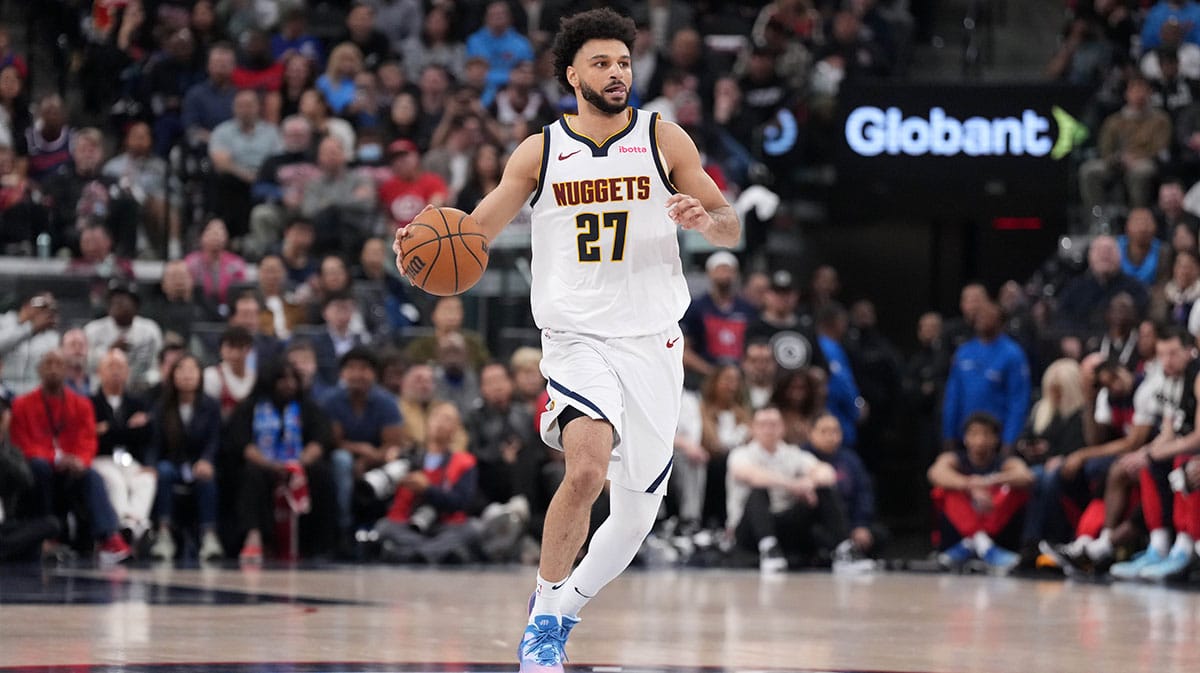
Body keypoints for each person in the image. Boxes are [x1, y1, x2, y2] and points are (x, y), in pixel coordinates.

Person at [393, 9, 739, 671]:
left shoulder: (664, 139)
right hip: (577, 337)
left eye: (623, 62)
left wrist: (707, 218)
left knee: (635, 517)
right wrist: (416, 249)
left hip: (653, 341)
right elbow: (473, 232)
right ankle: (544, 627)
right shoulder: (540, 151)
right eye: (602, 63)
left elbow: (729, 223)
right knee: (585, 468)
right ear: (572, 74)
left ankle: (559, 607)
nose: (616, 73)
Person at [9, 350, 131, 563]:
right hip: (38, 474)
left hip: (69, 472)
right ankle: (46, 535)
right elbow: (21, 445)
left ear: (66, 370)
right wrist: (55, 458)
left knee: (91, 475)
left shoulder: (82, 404)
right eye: (48, 364)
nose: (53, 369)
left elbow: (88, 440)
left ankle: (109, 538)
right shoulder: (21, 404)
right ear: (39, 370)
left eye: (58, 364)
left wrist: (79, 461)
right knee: (39, 466)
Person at [726, 406, 848, 573]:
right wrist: (793, 485)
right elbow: (751, 475)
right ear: (753, 428)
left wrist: (809, 483)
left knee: (824, 490)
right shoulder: (740, 454)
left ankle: (845, 549)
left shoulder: (792, 453)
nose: (768, 430)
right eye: (763, 424)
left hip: (784, 524)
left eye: (773, 424)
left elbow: (828, 473)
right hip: (748, 529)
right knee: (758, 491)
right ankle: (768, 548)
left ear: (782, 428)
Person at [928, 412, 1034, 574]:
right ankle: (978, 540)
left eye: (986, 434)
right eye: (974, 434)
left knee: (1013, 491)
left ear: (996, 439)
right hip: (961, 526)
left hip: (995, 522)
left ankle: (978, 542)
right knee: (944, 491)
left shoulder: (1005, 461)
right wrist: (970, 486)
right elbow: (935, 473)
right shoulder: (955, 458)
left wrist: (988, 481)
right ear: (965, 438)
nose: (980, 440)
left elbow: (1026, 476)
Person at [942, 301, 1031, 456]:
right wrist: (948, 434)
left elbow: (1018, 400)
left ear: (1000, 321)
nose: (982, 319)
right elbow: (953, 396)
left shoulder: (1012, 354)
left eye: (988, 316)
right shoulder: (964, 352)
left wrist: (1010, 440)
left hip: (997, 437)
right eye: (980, 316)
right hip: (965, 436)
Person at [89, 349, 155, 546]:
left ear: (127, 372)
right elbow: (95, 437)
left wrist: (110, 429)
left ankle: (131, 525)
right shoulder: (91, 403)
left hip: (129, 459)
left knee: (146, 479)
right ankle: (129, 526)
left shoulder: (138, 402)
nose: (116, 371)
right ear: (100, 372)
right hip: (101, 459)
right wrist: (126, 428)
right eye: (111, 366)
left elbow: (145, 435)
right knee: (115, 482)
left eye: (120, 367)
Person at [0, 293, 60, 396]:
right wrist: (29, 328)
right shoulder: (5, 322)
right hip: (5, 391)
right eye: (41, 306)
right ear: (27, 305)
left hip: (34, 394)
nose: (44, 311)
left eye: (50, 307)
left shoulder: (51, 337)